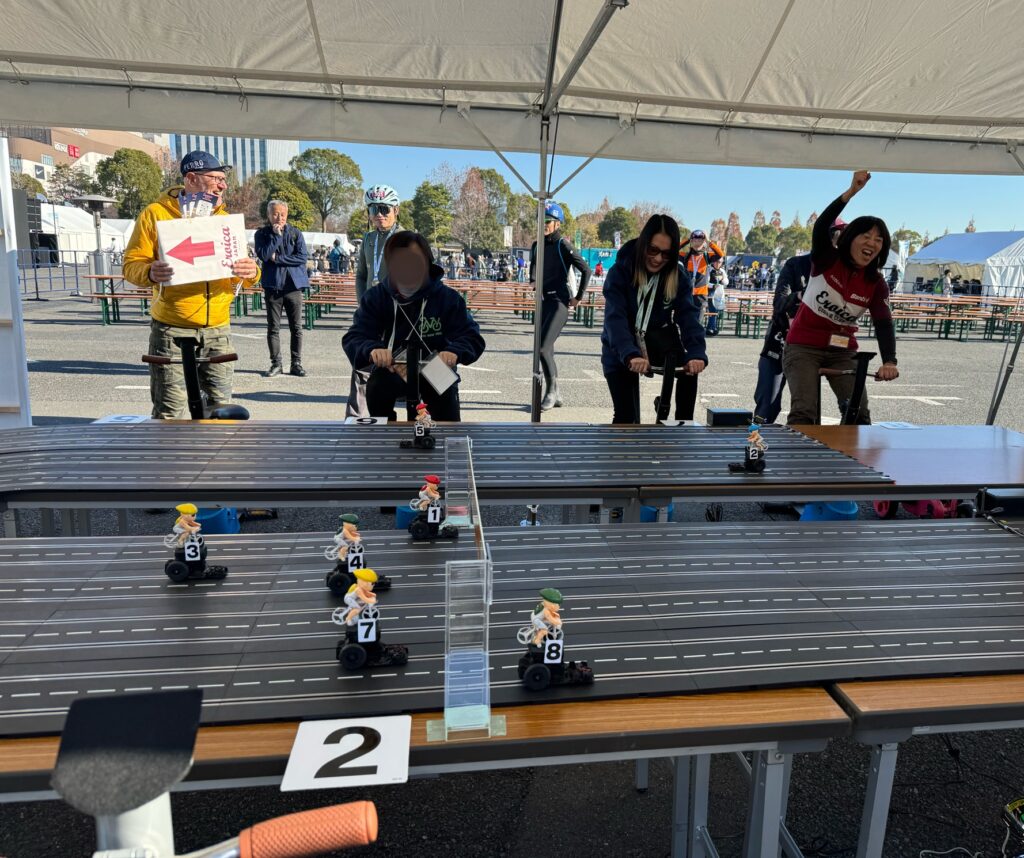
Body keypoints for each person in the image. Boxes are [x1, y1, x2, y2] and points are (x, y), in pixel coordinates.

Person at [123, 150, 260, 419]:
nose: (222, 185)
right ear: (191, 178)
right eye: (216, 178)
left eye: (223, 180)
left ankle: (215, 449)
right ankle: (171, 448)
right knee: (169, 413)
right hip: (171, 327)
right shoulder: (155, 214)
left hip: (218, 329)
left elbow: (242, 271)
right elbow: (131, 266)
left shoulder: (224, 219)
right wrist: (150, 272)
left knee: (221, 410)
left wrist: (252, 271)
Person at [783, 171, 899, 425]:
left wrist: (890, 361)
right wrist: (851, 192)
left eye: (878, 240)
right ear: (850, 238)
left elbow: (883, 322)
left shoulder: (877, 283)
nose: (872, 243)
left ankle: (852, 452)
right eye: (865, 236)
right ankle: (798, 451)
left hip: (843, 350)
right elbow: (821, 226)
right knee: (804, 412)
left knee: (858, 414)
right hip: (803, 346)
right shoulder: (827, 258)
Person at [342, 231, 486, 421]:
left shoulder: (447, 298)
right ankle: (384, 434)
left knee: (447, 407)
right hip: (392, 365)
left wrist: (454, 351)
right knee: (377, 386)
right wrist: (372, 349)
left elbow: (472, 336)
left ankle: (446, 435)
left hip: (435, 365)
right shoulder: (376, 297)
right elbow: (355, 336)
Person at [601, 214, 708, 424]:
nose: (658, 259)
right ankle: (624, 435)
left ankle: (682, 427)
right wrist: (630, 354)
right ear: (643, 245)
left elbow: (688, 316)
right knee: (626, 417)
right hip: (621, 340)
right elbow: (615, 318)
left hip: (658, 338)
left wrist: (697, 353)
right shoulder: (621, 271)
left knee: (689, 369)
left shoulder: (677, 275)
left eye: (666, 254)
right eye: (653, 250)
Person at [753, 219, 846, 423]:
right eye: (839, 238)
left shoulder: (844, 270)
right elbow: (779, 303)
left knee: (813, 409)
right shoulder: (796, 264)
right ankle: (755, 441)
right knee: (767, 406)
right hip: (781, 341)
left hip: (816, 348)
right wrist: (801, 296)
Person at [529, 202, 592, 410]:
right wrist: (532, 281)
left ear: (557, 224)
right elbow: (533, 268)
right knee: (547, 350)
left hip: (559, 303)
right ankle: (556, 393)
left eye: (547, 221)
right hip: (544, 302)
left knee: (542, 348)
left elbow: (586, 270)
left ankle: (551, 391)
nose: (543, 224)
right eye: (541, 220)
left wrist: (578, 297)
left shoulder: (563, 244)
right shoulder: (536, 245)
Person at [254, 200, 309, 378]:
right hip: (273, 286)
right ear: (269, 215)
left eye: (282, 214)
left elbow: (302, 257)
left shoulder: (295, 233)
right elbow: (264, 255)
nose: (279, 217)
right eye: (275, 214)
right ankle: (276, 363)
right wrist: (276, 237)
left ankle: (296, 363)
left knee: (296, 327)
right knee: (273, 328)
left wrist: (277, 259)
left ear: (287, 214)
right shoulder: (262, 234)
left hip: (294, 287)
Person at [675, 229, 724, 419]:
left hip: (701, 294)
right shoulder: (686, 254)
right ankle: (682, 346)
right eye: (695, 238)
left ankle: (694, 349)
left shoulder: (707, 255)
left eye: (699, 238)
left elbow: (720, 254)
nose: (697, 241)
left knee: (696, 324)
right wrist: (686, 241)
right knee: (682, 322)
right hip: (686, 293)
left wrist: (709, 242)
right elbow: (674, 251)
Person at [355, 185, 401, 304]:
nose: (379, 214)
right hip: (371, 308)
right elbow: (361, 275)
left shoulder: (407, 238)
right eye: (374, 210)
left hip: (397, 308)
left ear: (396, 210)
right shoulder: (368, 238)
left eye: (384, 209)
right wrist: (362, 304)